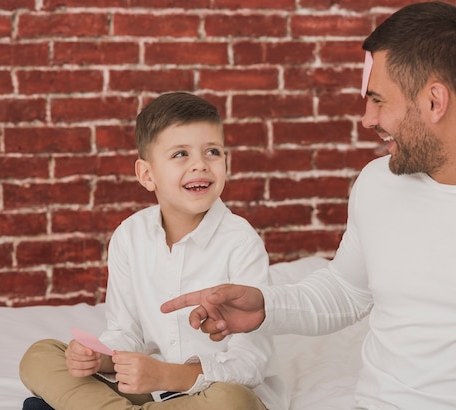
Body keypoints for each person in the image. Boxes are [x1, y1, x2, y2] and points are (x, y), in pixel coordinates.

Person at [160, 2, 456, 409]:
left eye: (378, 100)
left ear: (435, 100)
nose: (368, 119)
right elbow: (347, 290)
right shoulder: (378, 184)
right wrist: (266, 307)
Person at [19, 92, 287, 410]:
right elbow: (124, 332)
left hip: (211, 389)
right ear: (147, 175)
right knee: (40, 356)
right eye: (180, 155)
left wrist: (168, 375)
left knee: (234, 402)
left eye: (212, 152)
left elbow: (250, 362)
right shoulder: (129, 237)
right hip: (147, 390)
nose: (200, 164)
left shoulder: (241, 243)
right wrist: (98, 359)